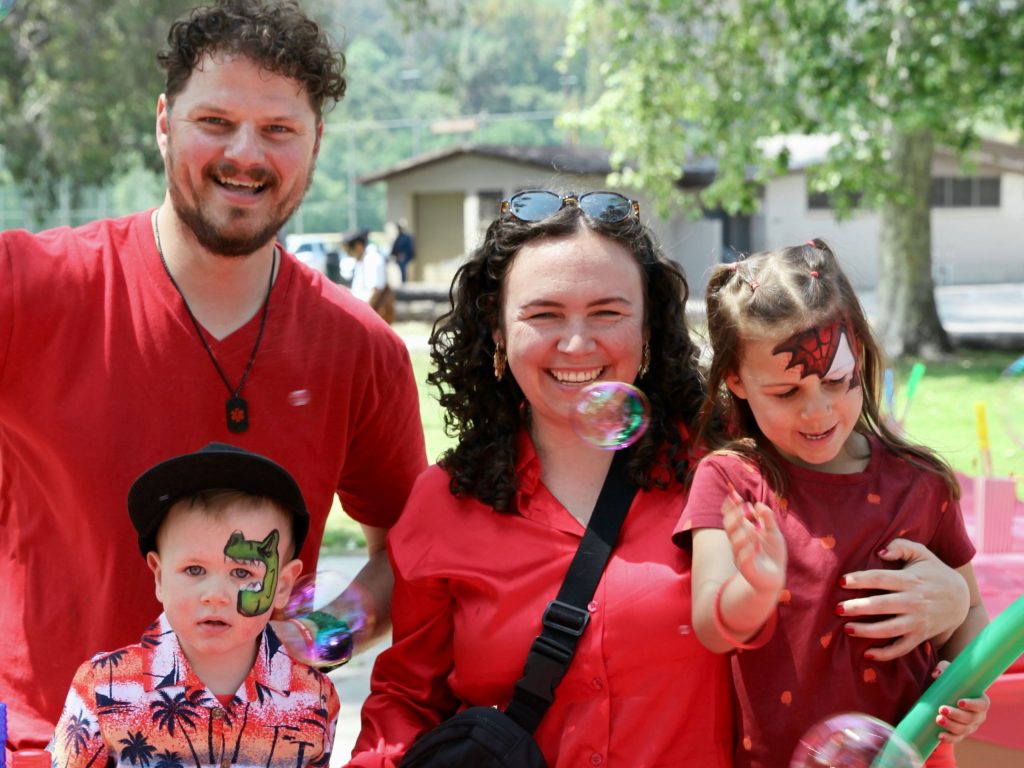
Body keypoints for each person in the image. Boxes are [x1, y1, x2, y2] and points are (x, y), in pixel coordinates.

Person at [346, 192, 972, 768]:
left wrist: (950, 603)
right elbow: (405, 701)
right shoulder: (443, 502)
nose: (576, 341)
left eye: (607, 312)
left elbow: (854, 551)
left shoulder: (737, 466)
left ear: (648, 328)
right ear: (497, 330)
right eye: (543, 314)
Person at [0, 0, 426, 754]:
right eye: (216, 122)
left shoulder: (361, 350)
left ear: (316, 142)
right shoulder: (28, 288)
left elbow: (408, 550)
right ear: (165, 121)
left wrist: (323, 635)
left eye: (279, 129)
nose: (246, 154)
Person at [675, 239, 990, 768]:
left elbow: (971, 612)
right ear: (736, 381)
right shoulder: (730, 480)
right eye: (786, 392)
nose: (817, 411)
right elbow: (711, 625)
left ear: (859, 357)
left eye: (837, 381)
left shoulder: (921, 482)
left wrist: (968, 688)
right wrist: (756, 586)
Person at [50, 443, 340, 768]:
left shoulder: (313, 697)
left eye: (242, 572)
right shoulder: (104, 688)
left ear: (283, 585)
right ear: (159, 577)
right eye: (194, 570)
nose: (215, 594)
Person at [343, 228, 395, 324]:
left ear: (358, 246)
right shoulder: (361, 260)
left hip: (371, 315)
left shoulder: (372, 259)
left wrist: (362, 316)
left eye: (348, 251)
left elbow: (374, 292)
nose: (348, 254)